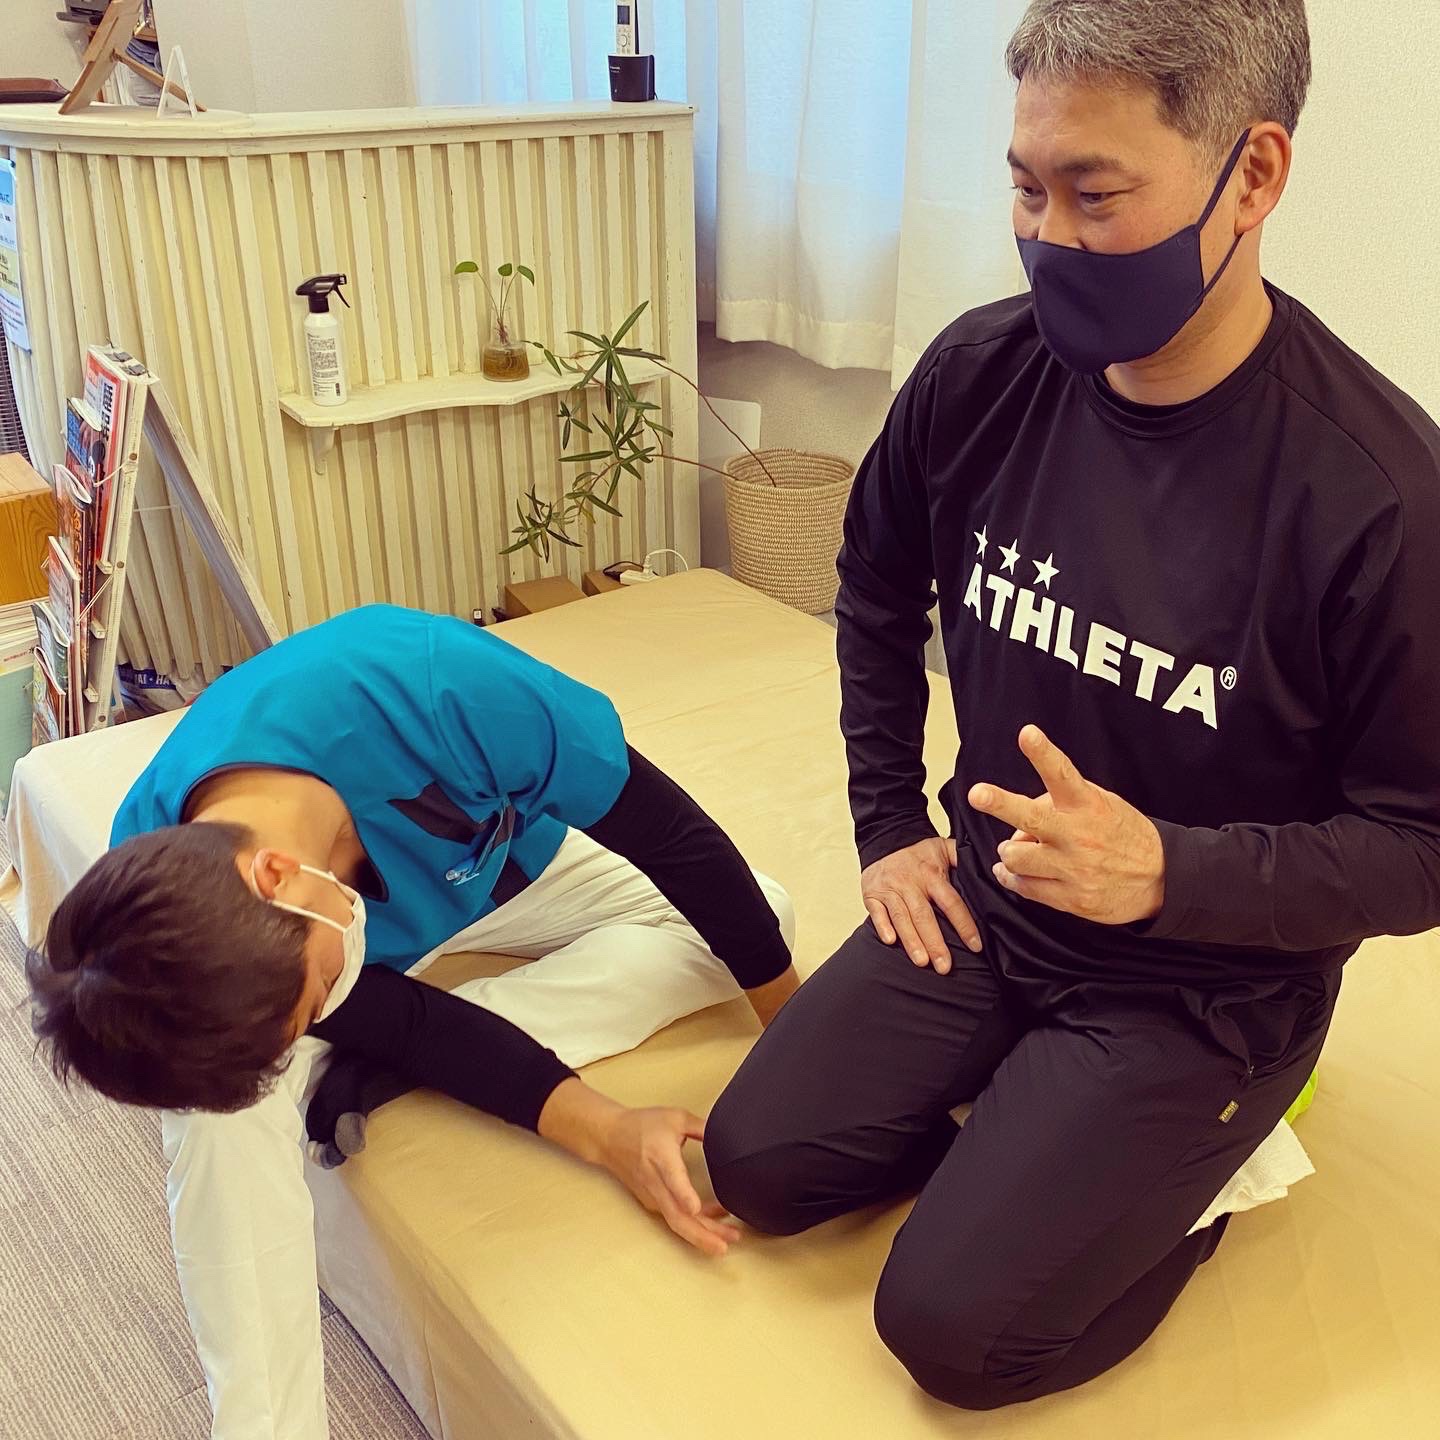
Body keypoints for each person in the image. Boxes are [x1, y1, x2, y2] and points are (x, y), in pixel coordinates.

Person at [706, 0, 1440, 1411]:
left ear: (1253, 175)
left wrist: (1169, 872)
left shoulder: (1379, 498)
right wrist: (885, 824)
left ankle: (1211, 1167)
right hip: (991, 906)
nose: (1046, 238)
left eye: (1096, 197)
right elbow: (873, 587)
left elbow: (1422, 845)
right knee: (762, 1167)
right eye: (1026, 189)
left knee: (956, 1335)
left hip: (1204, 984)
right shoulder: (978, 374)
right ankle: (1039, 1132)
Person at [26, 602, 798, 1438]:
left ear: (276, 875)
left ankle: (371, 1055)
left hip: (503, 878)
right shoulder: (151, 881)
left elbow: (672, 838)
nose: (323, 1009)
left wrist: (804, 1043)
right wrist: (604, 1127)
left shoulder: (444, 688)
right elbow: (386, 1015)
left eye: (318, 998)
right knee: (217, 1120)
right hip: (351, 943)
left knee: (766, 918)